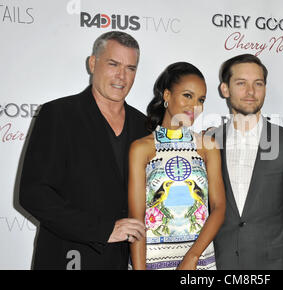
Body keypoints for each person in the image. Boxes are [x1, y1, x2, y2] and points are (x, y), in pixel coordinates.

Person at [19, 31, 148, 269]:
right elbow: (34, 193)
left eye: (130, 68)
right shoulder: (58, 115)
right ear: (92, 63)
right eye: (113, 64)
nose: (122, 76)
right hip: (68, 256)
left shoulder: (144, 125)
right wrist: (103, 229)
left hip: (126, 261)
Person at [210, 54, 283, 270]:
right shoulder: (210, 143)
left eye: (258, 84)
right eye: (241, 83)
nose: (251, 92)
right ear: (225, 89)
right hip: (221, 263)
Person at [128, 62, 226, 270]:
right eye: (187, 96)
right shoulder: (141, 148)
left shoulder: (207, 146)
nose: (195, 107)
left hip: (198, 262)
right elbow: (136, 219)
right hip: (152, 262)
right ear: (166, 95)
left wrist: (192, 257)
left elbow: (219, 208)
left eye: (201, 100)